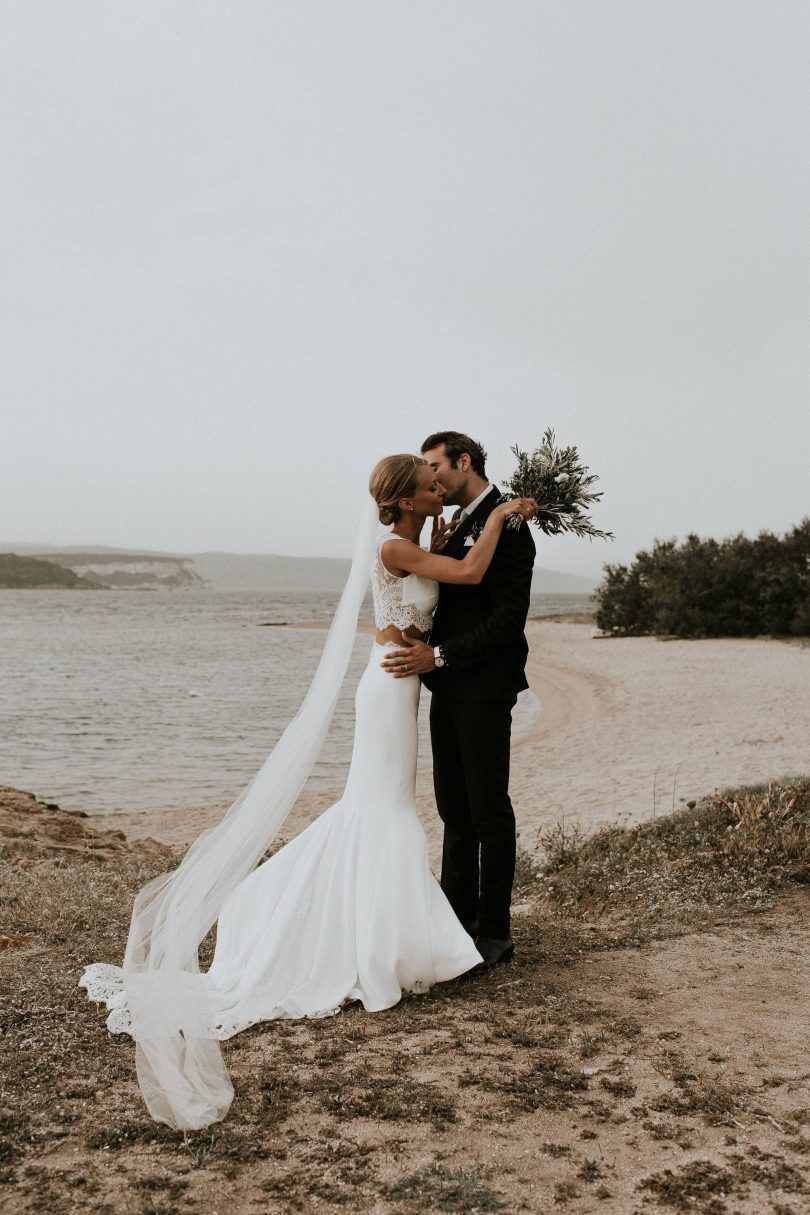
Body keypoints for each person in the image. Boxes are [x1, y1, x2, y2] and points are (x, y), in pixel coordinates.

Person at [80, 453, 536, 1131]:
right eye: (430, 483)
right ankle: (387, 945)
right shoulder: (391, 544)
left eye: (441, 480)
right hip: (388, 688)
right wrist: (500, 513)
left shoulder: (413, 541)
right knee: (382, 814)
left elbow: (444, 576)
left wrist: (463, 532)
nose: (440, 488)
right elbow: (468, 574)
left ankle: (392, 936)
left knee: (378, 812)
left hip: (404, 683)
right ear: (406, 496)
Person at [381, 432, 536, 970]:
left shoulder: (509, 521)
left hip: (484, 684)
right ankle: (455, 923)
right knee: (453, 809)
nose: (432, 478)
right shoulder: (454, 526)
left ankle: (494, 932)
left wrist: (440, 655)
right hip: (443, 683)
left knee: (488, 809)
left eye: (434, 466)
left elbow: (505, 620)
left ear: (462, 461)